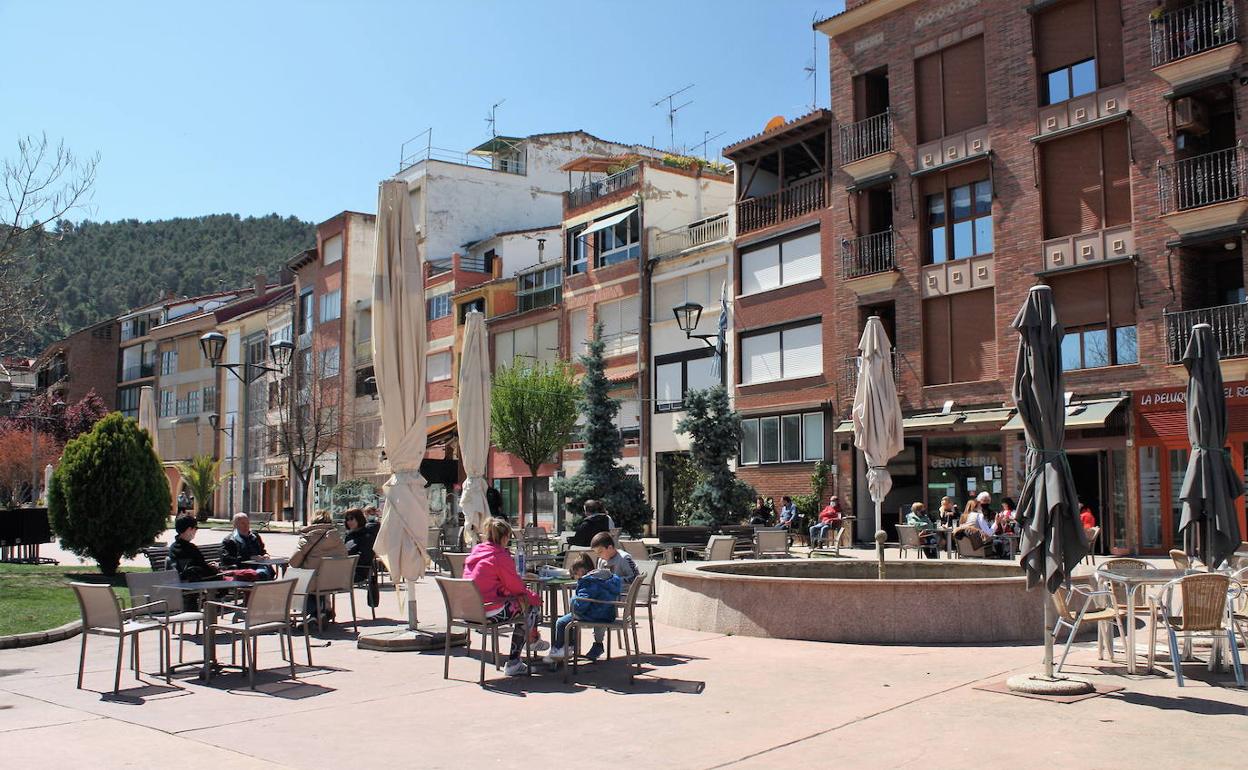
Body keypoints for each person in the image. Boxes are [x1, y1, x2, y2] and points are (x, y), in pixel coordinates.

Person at [463, 517, 545, 676]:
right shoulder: (499, 556)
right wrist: (535, 598)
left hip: (467, 611)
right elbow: (516, 587)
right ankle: (517, 658)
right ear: (505, 537)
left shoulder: (476, 552)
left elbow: (488, 582)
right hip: (488, 611)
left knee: (522, 602)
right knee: (530, 606)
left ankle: (533, 640)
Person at [543, 552, 622, 668]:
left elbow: (581, 606)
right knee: (569, 620)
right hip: (607, 614)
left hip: (593, 615)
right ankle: (569, 647)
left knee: (561, 622)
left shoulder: (588, 582)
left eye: (575, 574)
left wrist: (573, 600)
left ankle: (560, 649)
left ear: (582, 571)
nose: (575, 577)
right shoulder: (605, 577)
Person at [585, 531, 638, 661]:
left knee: (600, 605)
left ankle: (598, 643)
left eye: (600, 552)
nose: (599, 556)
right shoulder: (602, 561)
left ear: (610, 547)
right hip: (607, 594)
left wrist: (615, 580)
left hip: (623, 595)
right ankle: (574, 639)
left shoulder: (624, 558)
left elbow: (635, 577)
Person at [290, 510, 349, 621]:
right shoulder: (338, 538)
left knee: (295, 579)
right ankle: (322, 610)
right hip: (337, 581)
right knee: (318, 579)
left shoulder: (307, 539)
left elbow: (293, 562)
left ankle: (313, 612)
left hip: (314, 582)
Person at [167, 514, 221, 582]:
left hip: (179, 583)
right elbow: (205, 570)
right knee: (221, 577)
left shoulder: (173, 548)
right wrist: (215, 568)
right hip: (193, 584)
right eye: (196, 528)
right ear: (189, 529)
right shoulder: (191, 548)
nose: (196, 531)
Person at [220, 513, 272, 579]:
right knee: (261, 573)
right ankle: (259, 575)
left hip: (259, 565)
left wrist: (265, 555)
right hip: (243, 568)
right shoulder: (229, 540)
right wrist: (249, 558)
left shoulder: (255, 536)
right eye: (243, 523)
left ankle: (259, 575)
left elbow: (262, 551)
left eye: (248, 523)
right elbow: (226, 559)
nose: (246, 526)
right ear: (235, 525)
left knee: (265, 568)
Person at [343, 508, 379, 580]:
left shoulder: (367, 535)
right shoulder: (349, 536)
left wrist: (346, 561)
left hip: (358, 571)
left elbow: (364, 557)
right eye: (347, 519)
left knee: (327, 575)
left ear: (359, 518)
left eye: (351, 519)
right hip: (346, 568)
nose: (349, 522)